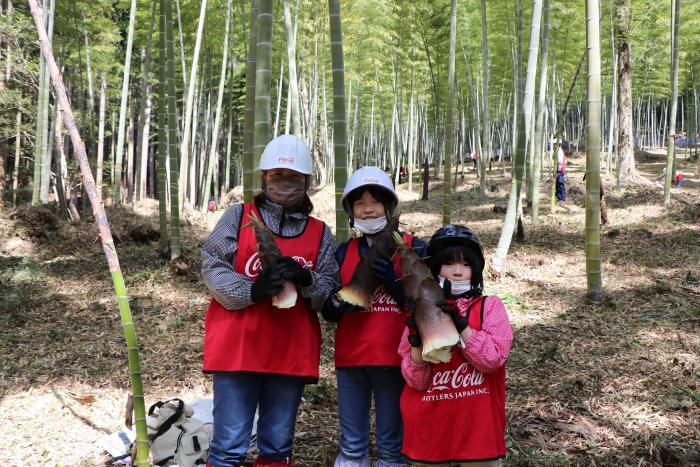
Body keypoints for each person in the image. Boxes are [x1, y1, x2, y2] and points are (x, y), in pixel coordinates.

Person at [201, 134, 339, 467]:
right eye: (277, 175)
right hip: (238, 347)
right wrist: (252, 289)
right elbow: (212, 265)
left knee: (277, 447)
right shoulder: (239, 216)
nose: (285, 182)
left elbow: (329, 290)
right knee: (229, 446)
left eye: (293, 177)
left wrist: (307, 280)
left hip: (289, 351)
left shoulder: (320, 232)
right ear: (264, 177)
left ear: (306, 182)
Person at [322, 166, 428, 467]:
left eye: (376, 201)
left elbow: (428, 305)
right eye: (359, 203)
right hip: (351, 359)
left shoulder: (414, 247)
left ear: (389, 206)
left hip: (396, 358)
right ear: (350, 211)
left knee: (390, 439)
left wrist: (394, 284)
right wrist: (339, 305)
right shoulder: (342, 252)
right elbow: (327, 305)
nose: (368, 209)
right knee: (352, 440)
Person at [398, 225, 513, 466]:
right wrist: (416, 341)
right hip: (430, 426)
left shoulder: (490, 307)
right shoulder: (421, 310)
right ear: (435, 268)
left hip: (477, 429)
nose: (458, 272)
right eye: (449, 263)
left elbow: (491, 360)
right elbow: (416, 381)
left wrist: (462, 326)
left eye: (466, 264)